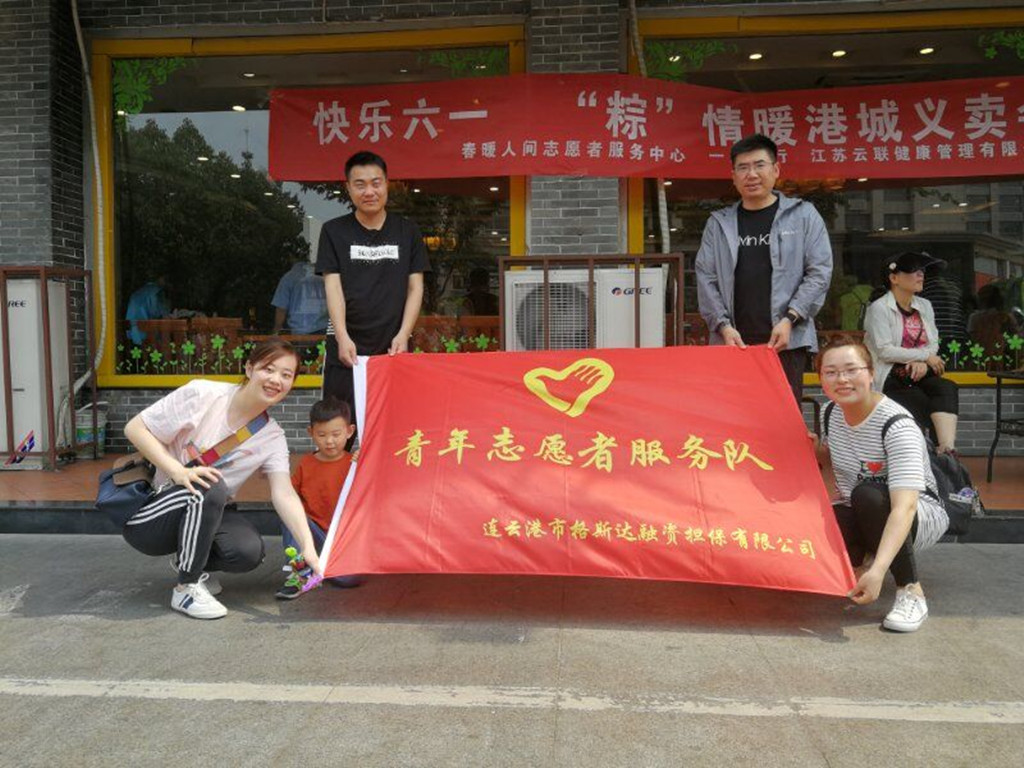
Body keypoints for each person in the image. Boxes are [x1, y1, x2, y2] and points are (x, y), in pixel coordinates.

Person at [121, 338, 322, 620]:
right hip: (154, 513)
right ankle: (186, 588)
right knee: (211, 484)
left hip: (206, 508)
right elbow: (135, 428)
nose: (276, 380)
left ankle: (193, 563)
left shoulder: (272, 436)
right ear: (249, 368)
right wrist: (178, 471)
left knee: (248, 552)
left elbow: (284, 493)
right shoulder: (203, 394)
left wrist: (308, 549)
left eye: (286, 375)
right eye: (268, 369)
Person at [815, 336, 948, 632]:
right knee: (828, 515)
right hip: (861, 506)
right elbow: (833, 464)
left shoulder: (897, 425)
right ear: (821, 379)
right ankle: (861, 561)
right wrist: (816, 453)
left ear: (871, 373)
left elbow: (905, 507)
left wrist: (878, 571)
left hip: (917, 513)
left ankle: (910, 591)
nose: (842, 379)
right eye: (831, 372)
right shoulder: (830, 413)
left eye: (852, 370)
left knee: (869, 495)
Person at [696, 133, 833, 403]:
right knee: (734, 415)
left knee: (782, 416)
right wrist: (723, 326)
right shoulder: (718, 224)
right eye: (743, 167)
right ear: (733, 176)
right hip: (733, 342)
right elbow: (705, 277)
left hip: (786, 340)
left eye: (759, 165)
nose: (752, 174)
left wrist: (790, 318)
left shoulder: (804, 215)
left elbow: (819, 272)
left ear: (776, 170)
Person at [316, 150, 429, 441]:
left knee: (395, 429)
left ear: (387, 184)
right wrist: (342, 337)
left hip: (393, 346)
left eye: (376, 183)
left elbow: (415, 287)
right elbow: (333, 287)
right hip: (346, 347)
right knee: (339, 429)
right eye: (360, 184)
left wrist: (404, 334)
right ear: (348, 188)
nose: (369, 191)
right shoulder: (333, 232)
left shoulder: (407, 231)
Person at [863, 251, 959, 454]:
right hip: (890, 376)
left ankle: (947, 449)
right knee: (924, 402)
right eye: (913, 270)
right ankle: (937, 457)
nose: (920, 274)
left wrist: (923, 362)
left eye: (922, 270)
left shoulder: (924, 306)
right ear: (894, 278)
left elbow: (933, 342)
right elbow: (885, 350)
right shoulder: (879, 308)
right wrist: (923, 356)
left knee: (946, 387)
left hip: (920, 372)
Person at [276, 396, 362, 599]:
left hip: (341, 538)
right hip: (312, 534)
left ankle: (320, 568)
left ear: (350, 431)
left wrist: (364, 464)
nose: (329, 441)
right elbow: (288, 496)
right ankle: (301, 573)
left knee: (349, 580)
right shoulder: (307, 464)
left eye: (336, 434)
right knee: (288, 513)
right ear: (311, 433)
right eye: (322, 435)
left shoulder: (354, 464)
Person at [271, 254, 329, 335]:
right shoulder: (322, 276)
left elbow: (281, 309)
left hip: (300, 330)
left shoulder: (289, 277)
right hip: (324, 328)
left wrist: (276, 331)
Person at [125, 277, 170, 345]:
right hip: (146, 335)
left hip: (133, 334)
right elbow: (155, 312)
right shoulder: (155, 291)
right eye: (166, 279)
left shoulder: (138, 292)